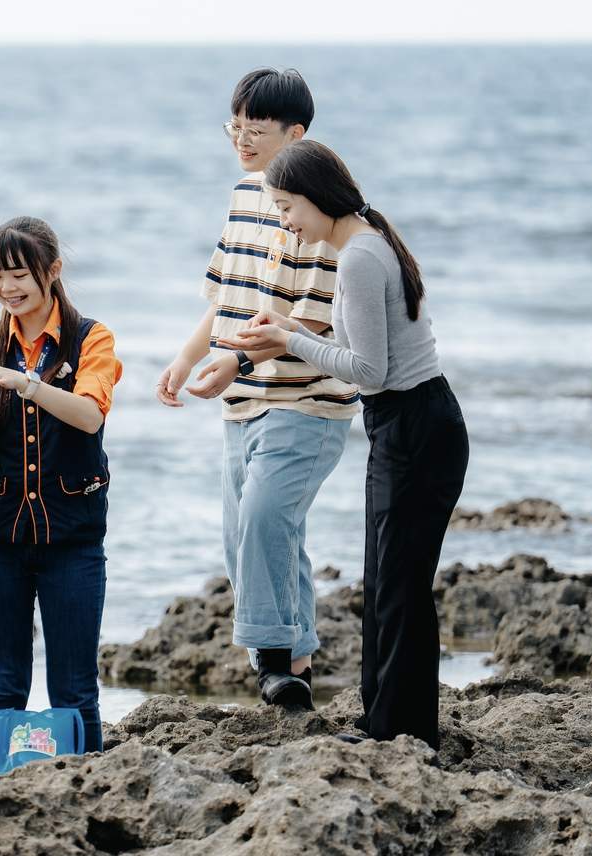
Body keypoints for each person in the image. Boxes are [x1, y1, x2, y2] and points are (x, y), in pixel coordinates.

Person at [220, 139, 469, 750]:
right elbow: (364, 349)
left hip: (415, 425)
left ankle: (404, 730)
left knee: (401, 586)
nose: (285, 222)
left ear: (316, 197)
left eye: (287, 208)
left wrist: (289, 341)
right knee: (383, 579)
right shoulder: (366, 242)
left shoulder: (359, 256)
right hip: (406, 424)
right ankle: (385, 721)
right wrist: (289, 331)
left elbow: (370, 370)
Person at [155, 69, 359, 710]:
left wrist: (233, 363)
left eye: (256, 131)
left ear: (295, 134)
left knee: (265, 516)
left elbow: (318, 317)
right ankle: (294, 663)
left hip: (308, 396)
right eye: (234, 128)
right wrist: (189, 358)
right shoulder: (245, 196)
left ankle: (271, 660)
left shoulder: (321, 213)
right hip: (244, 396)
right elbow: (228, 296)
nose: (241, 140)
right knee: (256, 531)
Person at [0, 216, 122, 753]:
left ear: (53, 271)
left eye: (19, 274)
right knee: (2, 687)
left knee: (74, 689)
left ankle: (88, 787)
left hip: (73, 537)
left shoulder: (93, 337)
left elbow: (88, 416)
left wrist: (24, 383)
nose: (7, 288)